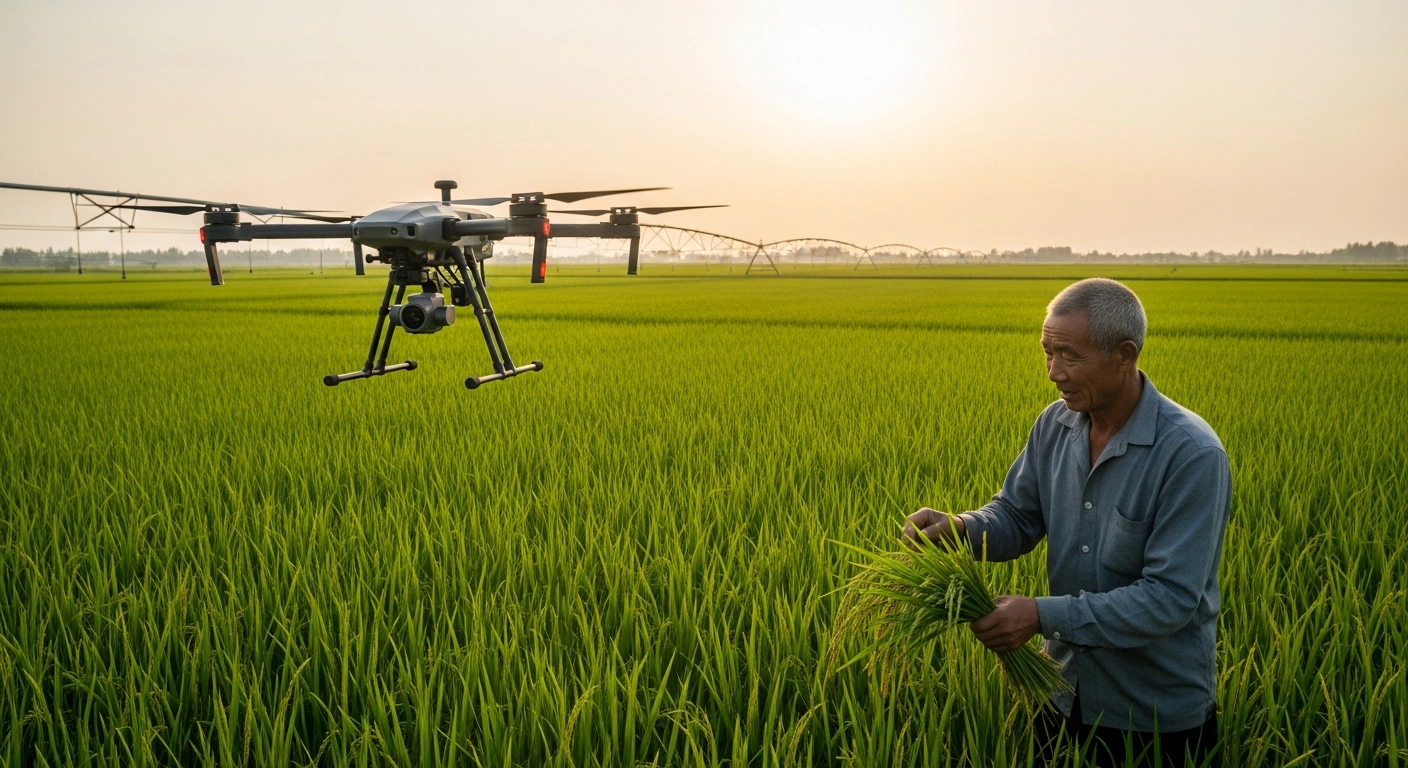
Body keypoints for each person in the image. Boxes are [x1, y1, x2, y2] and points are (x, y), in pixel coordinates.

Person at [904, 278, 1229, 766]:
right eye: (1047, 353)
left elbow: (1170, 599)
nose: (1054, 372)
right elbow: (1016, 515)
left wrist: (1040, 615)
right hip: (1061, 693)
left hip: (1153, 715)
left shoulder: (1190, 454)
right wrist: (962, 529)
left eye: (1070, 356)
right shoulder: (1054, 425)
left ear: (1125, 355)